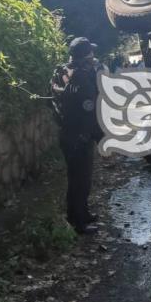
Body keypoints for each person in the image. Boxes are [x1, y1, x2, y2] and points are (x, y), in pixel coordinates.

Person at [50, 37, 104, 234]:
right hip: (80, 137)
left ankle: (82, 214)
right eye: (91, 53)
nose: (93, 57)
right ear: (87, 55)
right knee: (80, 181)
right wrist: (102, 140)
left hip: (67, 133)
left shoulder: (62, 72)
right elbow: (91, 113)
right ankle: (78, 223)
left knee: (77, 179)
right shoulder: (82, 77)